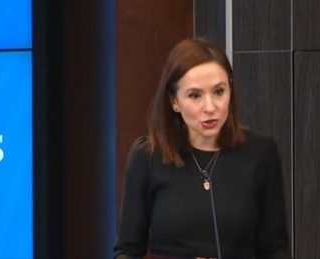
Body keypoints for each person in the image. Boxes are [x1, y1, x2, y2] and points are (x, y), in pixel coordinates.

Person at [113, 38, 291, 259]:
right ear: (174, 101)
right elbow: (128, 251)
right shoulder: (148, 157)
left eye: (218, 92)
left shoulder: (261, 153)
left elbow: (274, 250)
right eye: (195, 95)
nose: (210, 107)